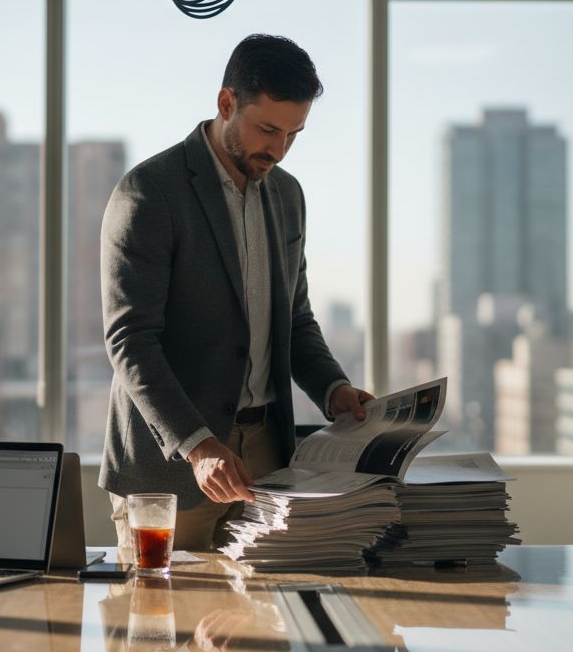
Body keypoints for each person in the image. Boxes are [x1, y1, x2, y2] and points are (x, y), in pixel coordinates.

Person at [98, 33, 374, 552]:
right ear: (227, 103)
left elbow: (294, 320)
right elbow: (130, 340)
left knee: (266, 626)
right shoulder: (148, 193)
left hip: (269, 461)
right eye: (267, 128)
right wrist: (198, 446)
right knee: (164, 624)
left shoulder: (288, 195)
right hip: (173, 466)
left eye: (294, 134)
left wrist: (334, 390)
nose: (278, 148)